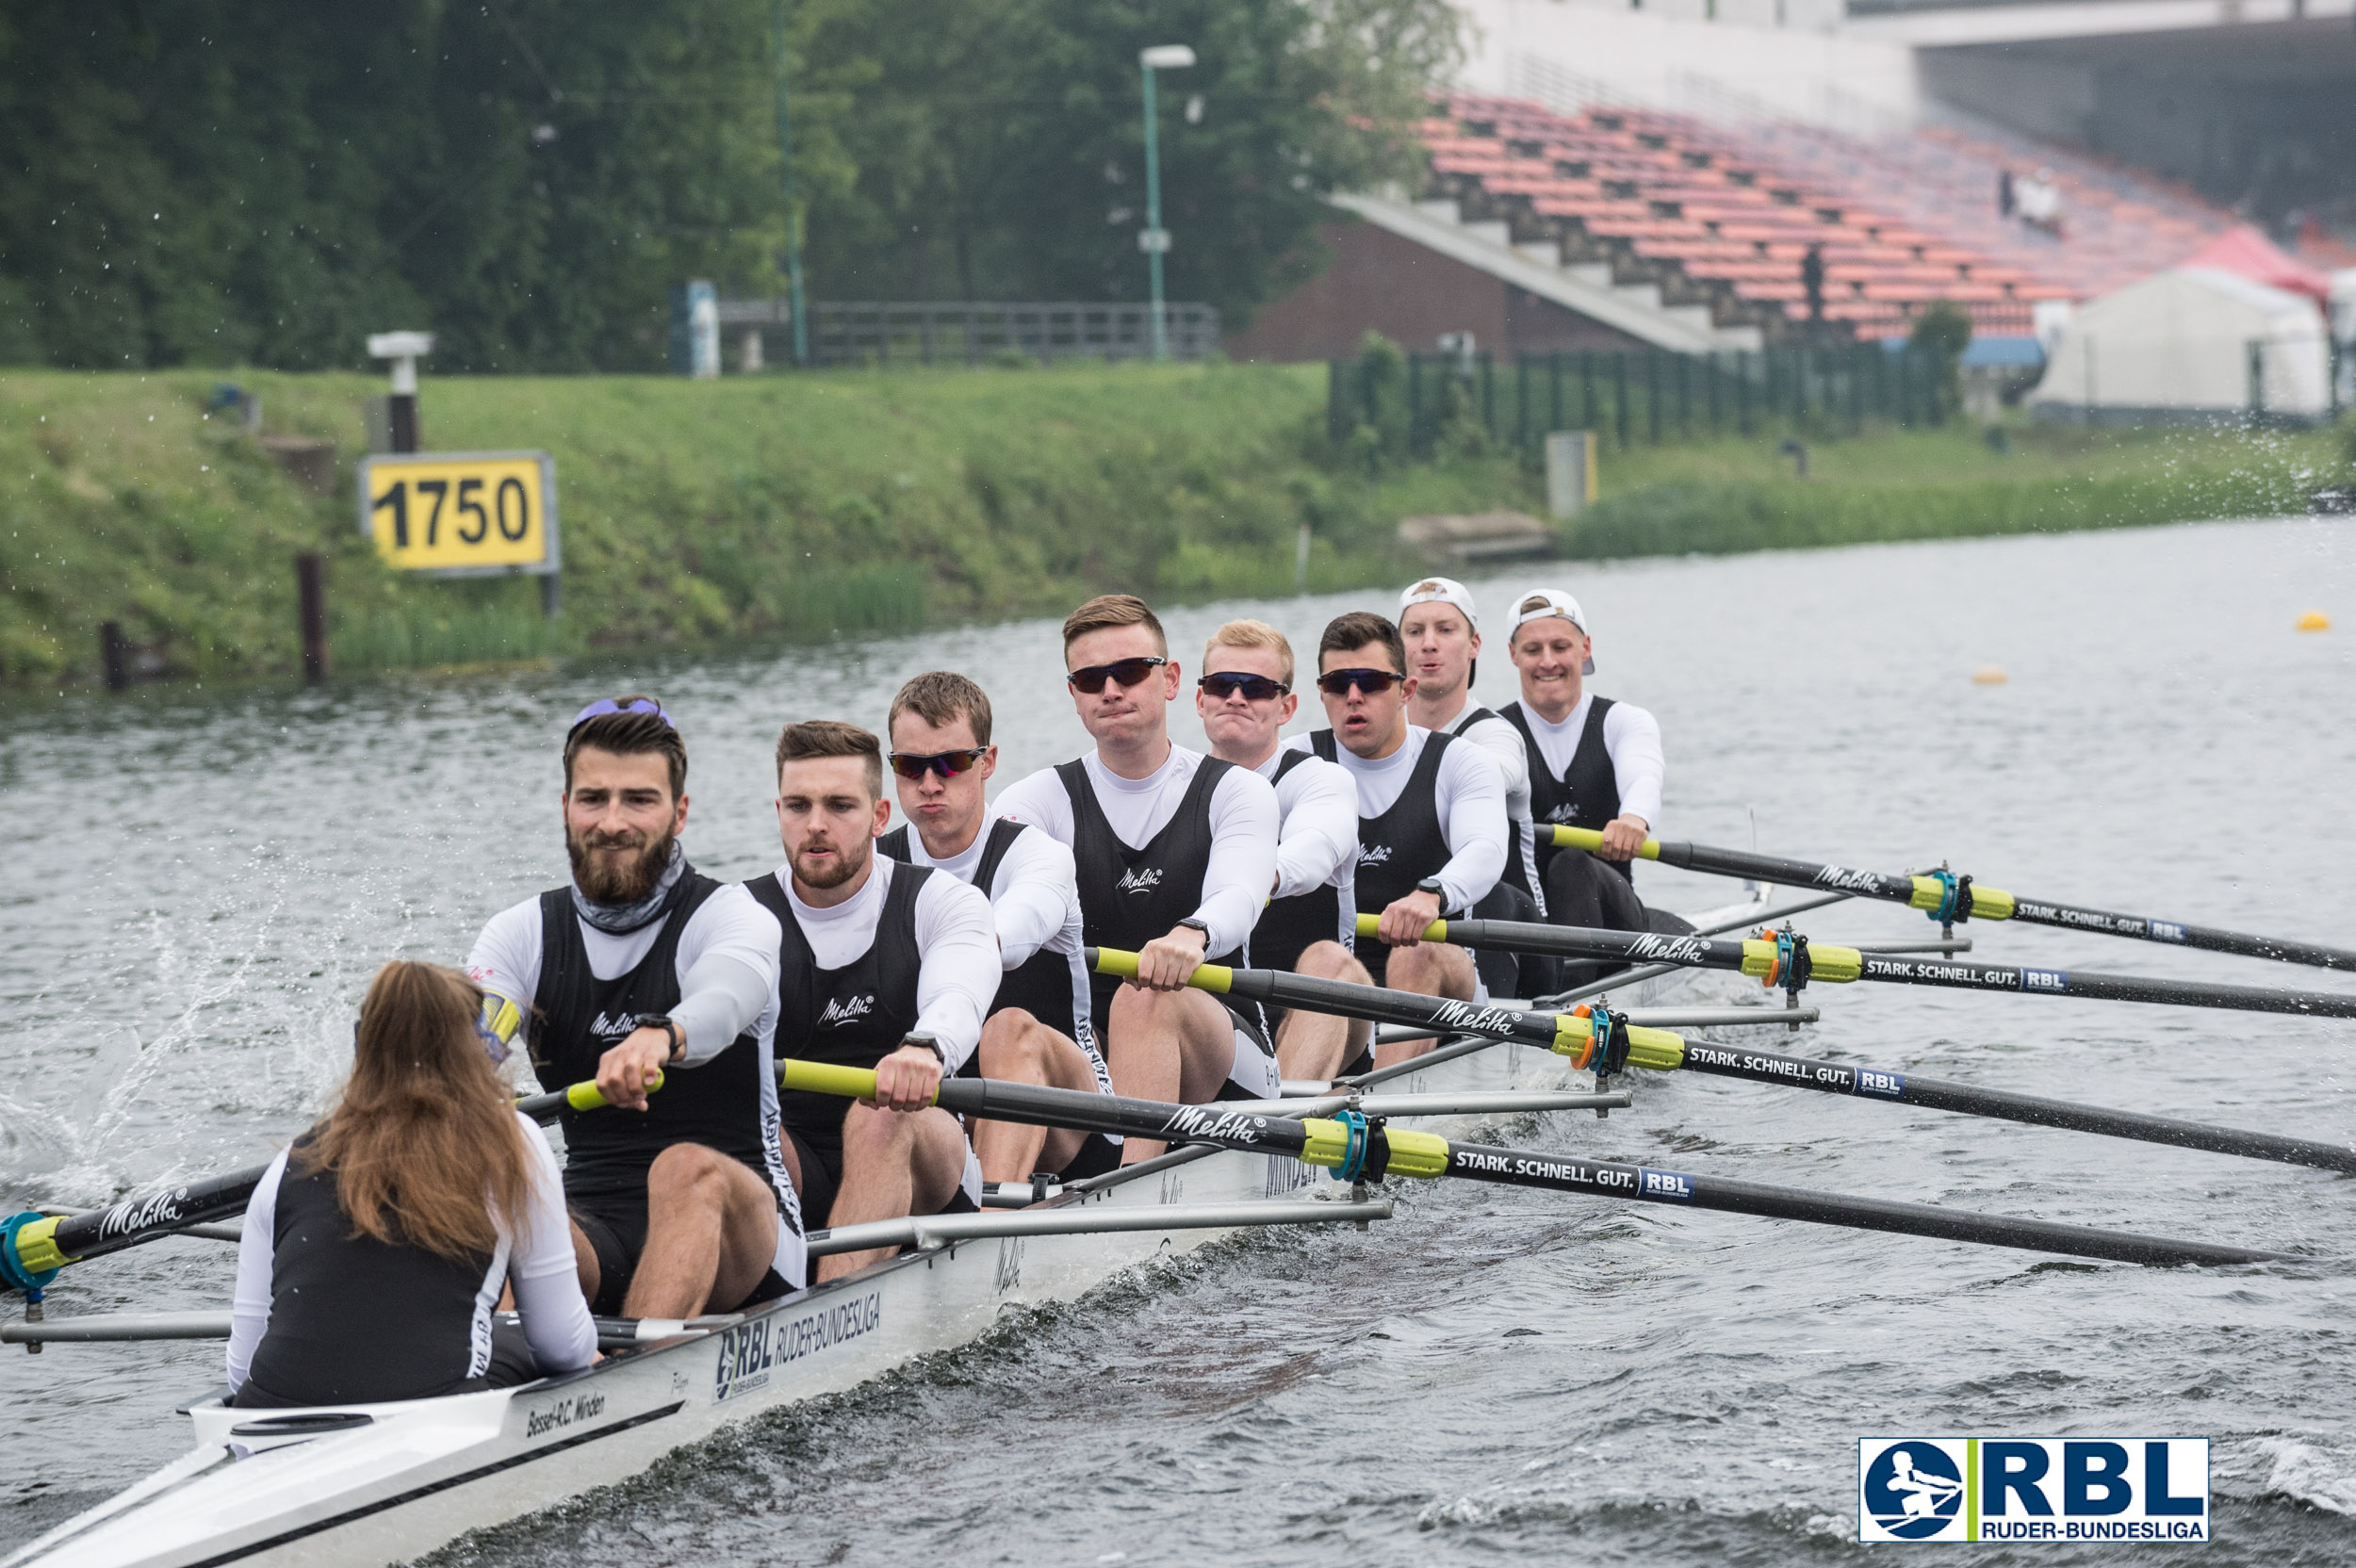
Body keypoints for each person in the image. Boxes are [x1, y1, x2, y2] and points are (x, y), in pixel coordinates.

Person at [467, 696, 802, 1320]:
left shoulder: (730, 918)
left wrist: (661, 1038)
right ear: (565, 808)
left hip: (746, 1237)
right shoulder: (520, 936)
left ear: (679, 814)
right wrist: (460, 1076)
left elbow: (724, 1001)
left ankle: (627, 1381)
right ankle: (489, 1380)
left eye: (639, 800)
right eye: (593, 798)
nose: (612, 822)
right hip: (595, 1225)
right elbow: (484, 1030)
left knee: (683, 1168)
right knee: (493, 1188)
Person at [228, 961, 597, 1407]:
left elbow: (241, 1368)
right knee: (529, 1340)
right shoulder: (512, 1138)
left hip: (264, 1414)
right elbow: (563, 1345)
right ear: (473, 1050)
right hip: (434, 1412)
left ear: (364, 1048)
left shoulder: (291, 1161)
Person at [995, 595, 1282, 1160]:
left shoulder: (1237, 791)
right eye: (1090, 678)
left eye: (1128, 672)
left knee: (1143, 998)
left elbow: (1241, 893)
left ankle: (1131, 1198)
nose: (1110, 690)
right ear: (1074, 695)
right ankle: (995, 1214)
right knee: (1007, 1027)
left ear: (1171, 680)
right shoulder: (1034, 802)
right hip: (1093, 1060)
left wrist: (1193, 934)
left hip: (1224, 1061)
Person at [747, 720, 1002, 1281]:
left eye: (840, 806)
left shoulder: (942, 901)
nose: (816, 825)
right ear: (780, 811)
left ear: (880, 816)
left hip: (925, 1155)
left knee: (879, 1114)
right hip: (793, 1163)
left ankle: (827, 1317)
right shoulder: (739, 918)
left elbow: (959, 988)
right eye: (798, 806)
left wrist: (926, 1048)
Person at [878, 671, 1120, 1185]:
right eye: (909, 766)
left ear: (987, 762)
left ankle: (988, 1222)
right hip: (949, 1116)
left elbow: (1010, 929)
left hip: (1077, 1125)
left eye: (950, 762)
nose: (929, 783)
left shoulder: (1038, 855)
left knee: (1006, 1028)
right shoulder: (871, 868)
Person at [1292, 611, 1506, 1064]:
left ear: (1406, 690)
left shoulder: (1459, 762)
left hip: (1442, 978)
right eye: (1337, 684)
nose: (1353, 697)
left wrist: (1433, 894)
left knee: (1417, 950)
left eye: (1370, 682)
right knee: (1325, 960)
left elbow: (1485, 849)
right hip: (1335, 976)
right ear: (1321, 693)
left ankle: (1381, 1106)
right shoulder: (1296, 760)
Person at [1193, 619, 1369, 1083]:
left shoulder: (1320, 780)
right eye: (1220, 685)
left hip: (1319, 1020)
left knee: (1329, 961)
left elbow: (1317, 844)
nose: (1235, 697)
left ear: (1286, 707)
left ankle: (1282, 1135)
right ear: (1200, 700)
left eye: (1255, 688)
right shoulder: (1174, 790)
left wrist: (1253, 877)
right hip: (1221, 1031)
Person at [1495, 591, 1666, 941]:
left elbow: (1644, 775)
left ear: (1585, 648)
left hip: (1616, 924)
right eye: (1532, 650)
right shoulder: (1493, 734)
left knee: (1572, 863)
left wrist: (1634, 818)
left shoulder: (1623, 721)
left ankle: (1570, 984)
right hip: (1527, 927)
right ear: (1513, 655)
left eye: (1560, 647)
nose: (1547, 662)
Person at [1399, 577, 1544, 914]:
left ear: (1474, 644)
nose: (1429, 644)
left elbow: (1489, 773)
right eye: (1415, 631)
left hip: (1511, 933)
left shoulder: (1494, 736)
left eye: (1446, 630)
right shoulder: (1374, 738)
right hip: (1417, 925)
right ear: (1397, 647)